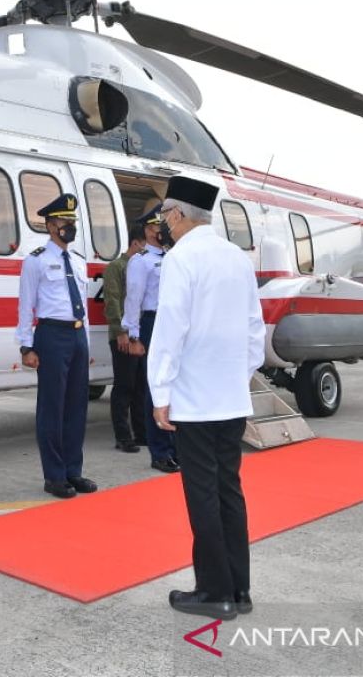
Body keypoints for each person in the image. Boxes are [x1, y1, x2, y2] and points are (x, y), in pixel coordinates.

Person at [149, 175, 264, 621]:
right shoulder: (237, 258)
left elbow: (170, 329)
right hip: (232, 398)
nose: (164, 224)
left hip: (195, 401)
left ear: (178, 214)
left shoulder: (182, 259)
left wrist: (161, 390)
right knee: (229, 492)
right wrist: (240, 374)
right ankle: (239, 589)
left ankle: (213, 591)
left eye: (165, 216)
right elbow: (255, 330)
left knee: (202, 495)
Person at [16, 193, 98, 499]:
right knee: (52, 406)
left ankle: (72, 471)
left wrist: (85, 344)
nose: (69, 226)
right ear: (50, 225)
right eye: (64, 221)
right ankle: (54, 475)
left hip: (76, 336)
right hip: (51, 335)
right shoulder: (36, 261)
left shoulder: (77, 261)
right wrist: (26, 346)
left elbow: (83, 308)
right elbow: (27, 305)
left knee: (76, 406)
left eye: (72, 221)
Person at [122, 206, 179, 473]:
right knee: (154, 387)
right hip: (151, 322)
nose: (163, 230)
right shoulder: (141, 261)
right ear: (148, 229)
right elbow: (133, 298)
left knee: (175, 385)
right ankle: (159, 452)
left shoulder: (173, 257)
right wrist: (133, 334)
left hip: (172, 322)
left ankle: (176, 446)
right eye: (159, 226)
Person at [103, 224, 148, 453]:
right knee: (124, 386)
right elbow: (112, 299)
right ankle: (123, 436)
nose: (146, 249)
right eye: (144, 244)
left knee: (140, 385)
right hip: (122, 335)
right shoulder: (116, 267)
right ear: (135, 243)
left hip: (138, 334)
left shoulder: (141, 266)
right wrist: (120, 331)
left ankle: (141, 433)